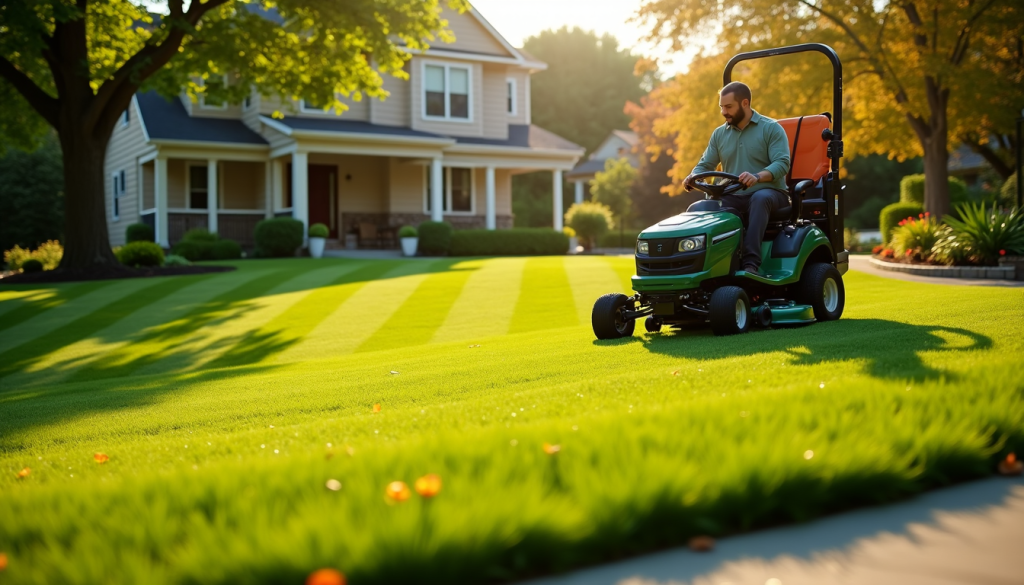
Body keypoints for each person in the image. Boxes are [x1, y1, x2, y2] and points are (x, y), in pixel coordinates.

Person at [683, 82, 791, 276]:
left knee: (760, 198)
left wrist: (757, 177)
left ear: (745, 103)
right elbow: (705, 164)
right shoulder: (719, 134)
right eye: (721, 107)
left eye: (728, 107)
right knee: (700, 208)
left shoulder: (771, 128)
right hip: (732, 195)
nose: (724, 112)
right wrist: (693, 176)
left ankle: (751, 264)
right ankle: (698, 265)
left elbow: (782, 163)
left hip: (770, 194)